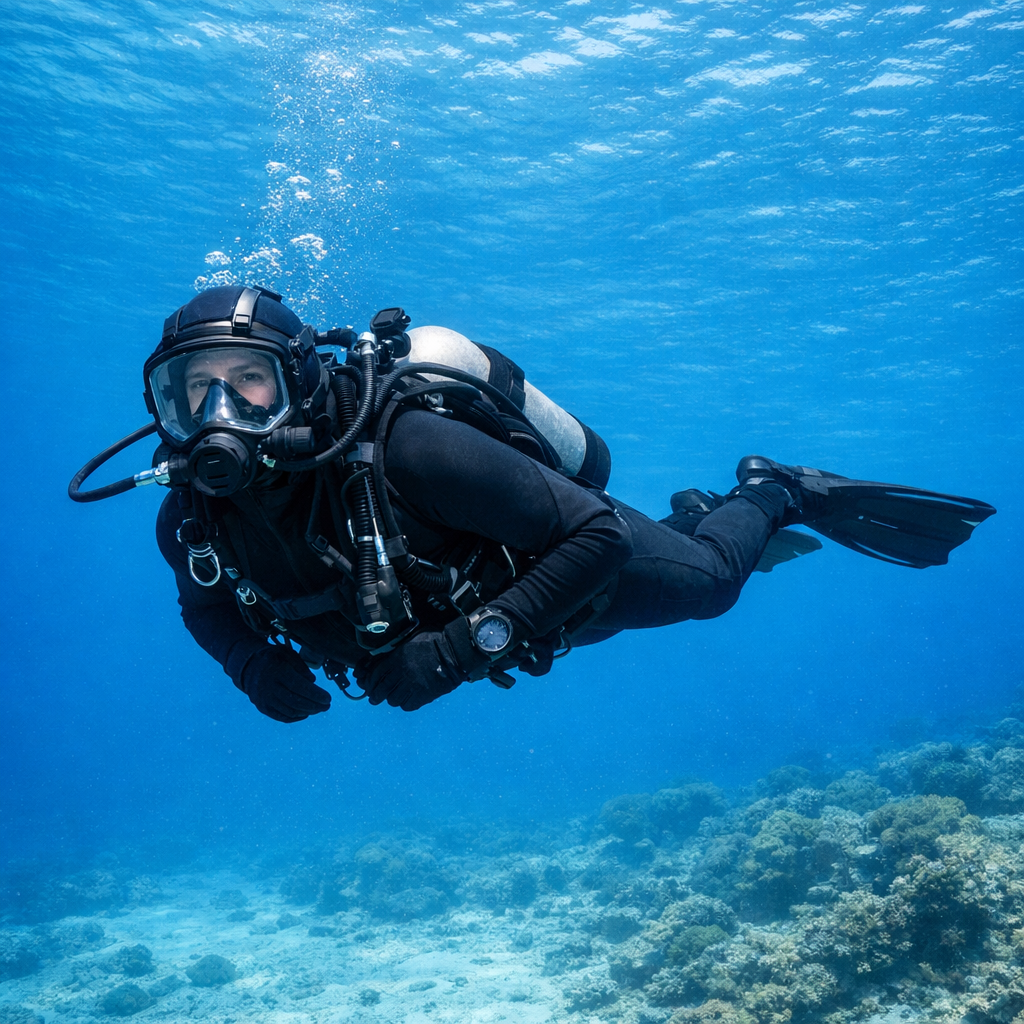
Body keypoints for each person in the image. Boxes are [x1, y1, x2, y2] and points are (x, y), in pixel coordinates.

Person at [70, 285, 996, 722]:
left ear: (299, 380)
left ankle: (771, 488)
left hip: (559, 572)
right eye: (191, 392)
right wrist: (246, 665)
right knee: (665, 564)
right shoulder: (190, 514)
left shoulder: (414, 450)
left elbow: (593, 535)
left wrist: (457, 651)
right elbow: (203, 606)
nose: (219, 415)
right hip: (507, 607)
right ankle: (693, 512)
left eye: (248, 381)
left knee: (713, 584)